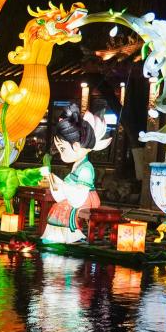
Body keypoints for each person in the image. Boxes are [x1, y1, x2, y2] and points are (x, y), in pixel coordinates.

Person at [40, 103, 112, 243]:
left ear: (76, 146)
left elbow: (79, 195)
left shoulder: (86, 168)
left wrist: (60, 184)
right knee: (59, 206)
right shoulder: (78, 165)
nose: (61, 153)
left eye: (62, 149)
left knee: (63, 208)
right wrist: (54, 180)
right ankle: (57, 236)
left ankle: (72, 236)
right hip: (78, 197)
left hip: (86, 199)